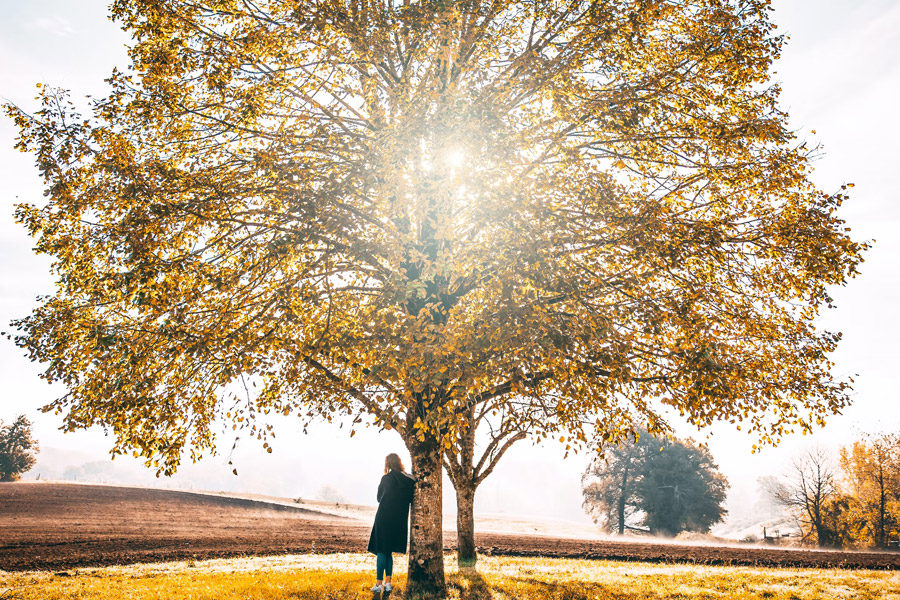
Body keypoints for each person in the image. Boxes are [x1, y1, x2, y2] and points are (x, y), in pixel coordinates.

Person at [367, 453, 415, 594]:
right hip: (399, 520)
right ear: (399, 462)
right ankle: (388, 583)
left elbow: (378, 498)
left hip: (383, 517)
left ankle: (378, 584)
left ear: (388, 464)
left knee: (381, 550)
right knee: (388, 551)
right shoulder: (409, 479)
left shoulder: (386, 478)